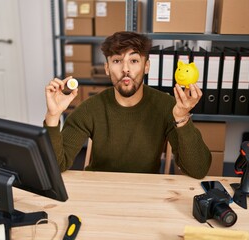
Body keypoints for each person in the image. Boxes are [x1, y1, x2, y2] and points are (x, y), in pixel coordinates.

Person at [44, 31, 211, 179]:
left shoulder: (167, 106)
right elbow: (57, 165)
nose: (125, 69)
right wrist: (53, 117)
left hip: (144, 192)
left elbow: (198, 170)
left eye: (134, 60)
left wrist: (182, 118)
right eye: (117, 61)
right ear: (107, 68)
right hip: (100, 191)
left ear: (146, 66)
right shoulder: (90, 108)